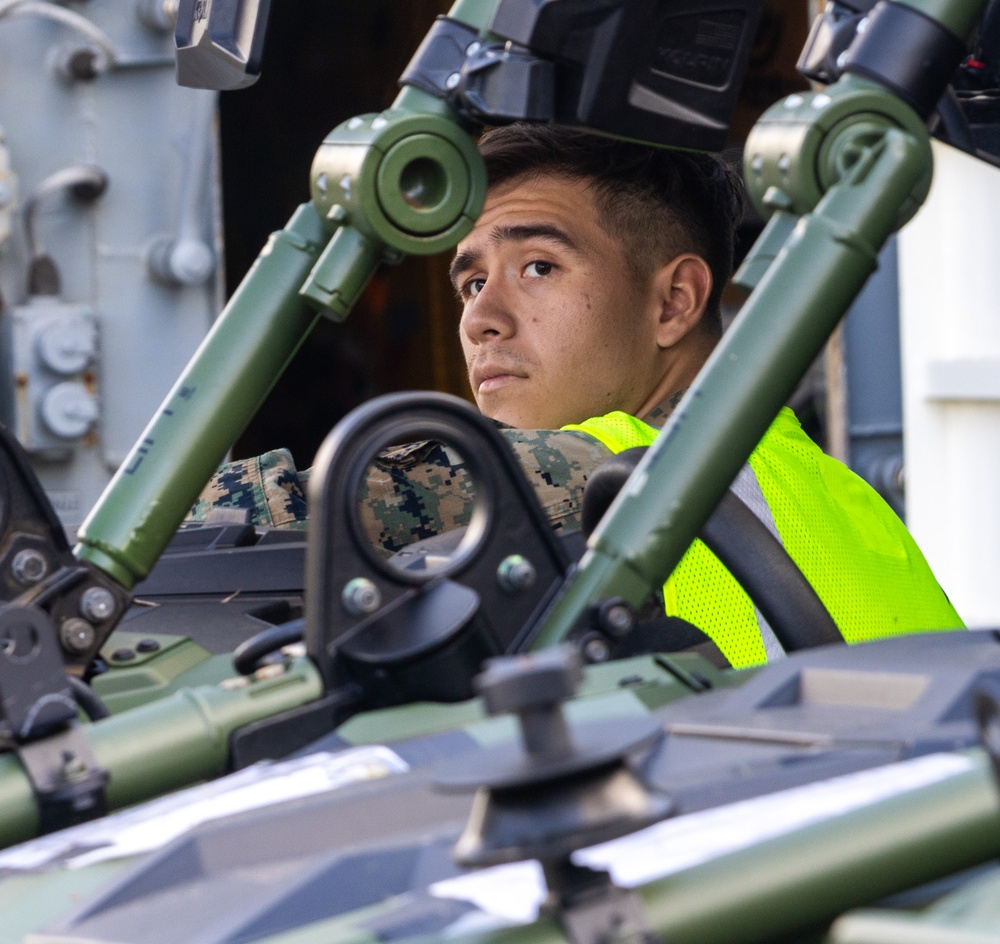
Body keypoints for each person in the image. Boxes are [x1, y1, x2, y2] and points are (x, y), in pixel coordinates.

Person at [190, 122, 962, 667]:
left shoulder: (597, 468)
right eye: (469, 282)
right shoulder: (845, 495)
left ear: (674, 302)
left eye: (538, 268)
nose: (482, 321)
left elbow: (282, 512)